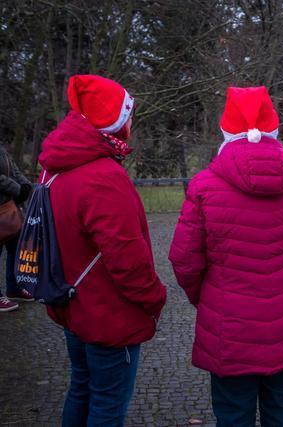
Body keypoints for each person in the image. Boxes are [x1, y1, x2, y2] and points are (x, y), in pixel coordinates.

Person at [169, 86, 283, 426]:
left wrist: (209, 297)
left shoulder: (203, 186)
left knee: (232, 416)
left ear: (226, 130)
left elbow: (184, 260)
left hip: (229, 327)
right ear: (275, 129)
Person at [38, 74, 167, 426]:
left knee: (81, 387)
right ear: (115, 122)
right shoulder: (102, 177)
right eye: (128, 116)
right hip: (108, 315)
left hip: (72, 305)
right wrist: (154, 297)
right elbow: (127, 258)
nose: (131, 123)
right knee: (108, 405)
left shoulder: (54, 167)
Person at [0, 144, 33, 312]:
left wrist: (25, 186)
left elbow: (12, 168)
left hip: (7, 208)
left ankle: (14, 287)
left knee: (15, 247)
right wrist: (16, 188)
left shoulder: (2, 148)